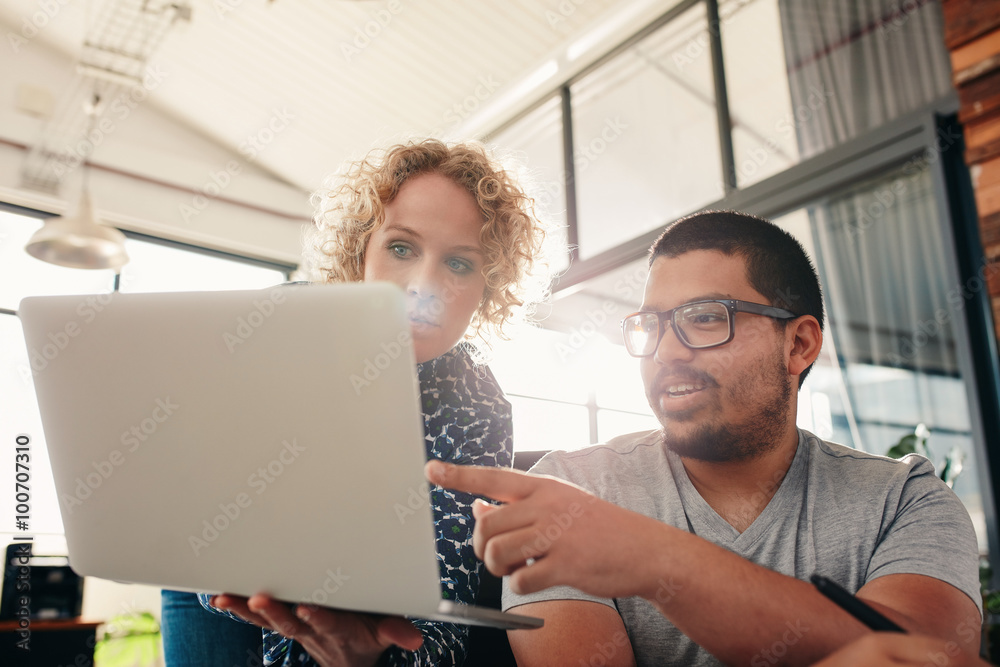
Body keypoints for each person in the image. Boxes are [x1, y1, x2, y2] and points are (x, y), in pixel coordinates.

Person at [425, 210, 983, 666]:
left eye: (706, 318)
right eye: (650, 326)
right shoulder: (571, 488)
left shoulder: (904, 499)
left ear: (800, 346)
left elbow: (927, 659)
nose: (666, 352)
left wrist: (650, 557)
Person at [164, 139, 550, 667]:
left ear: (489, 286)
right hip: (219, 591)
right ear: (359, 252)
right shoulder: (276, 334)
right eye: (401, 248)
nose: (423, 288)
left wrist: (377, 657)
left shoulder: (477, 405)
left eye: (459, 263)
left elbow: (443, 602)